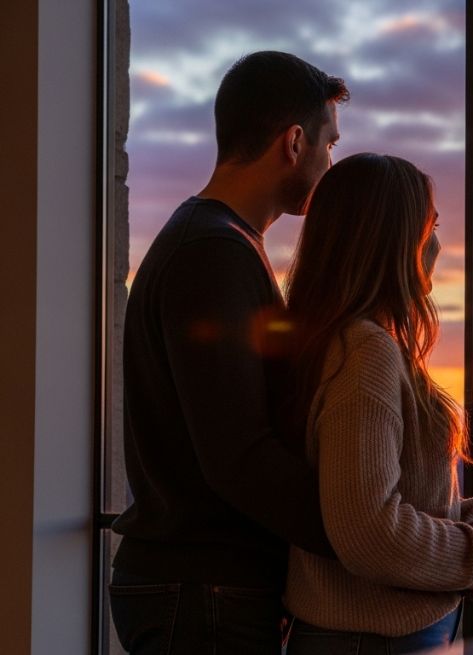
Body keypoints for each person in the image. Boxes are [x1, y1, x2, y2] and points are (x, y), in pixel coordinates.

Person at [109, 51, 349, 654]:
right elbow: (238, 454)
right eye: (330, 145)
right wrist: (359, 531)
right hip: (203, 593)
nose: (330, 163)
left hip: (203, 588)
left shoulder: (218, 242)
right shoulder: (211, 254)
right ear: (294, 142)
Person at [281, 153, 473, 653]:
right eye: (430, 227)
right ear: (396, 240)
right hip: (370, 640)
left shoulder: (354, 343)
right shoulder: (364, 353)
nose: (437, 244)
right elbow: (369, 530)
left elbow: (389, 488)